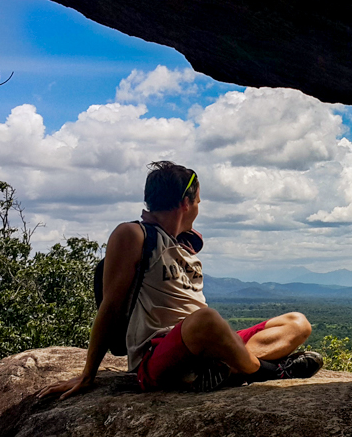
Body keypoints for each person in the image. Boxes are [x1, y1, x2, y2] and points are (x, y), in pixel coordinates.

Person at [37, 161, 322, 400]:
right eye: (197, 201)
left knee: (297, 323)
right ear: (185, 202)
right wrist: (88, 375)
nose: (199, 207)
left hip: (204, 347)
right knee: (206, 319)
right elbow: (110, 307)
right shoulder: (133, 234)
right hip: (159, 354)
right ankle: (270, 372)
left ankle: (220, 371)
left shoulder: (183, 244)